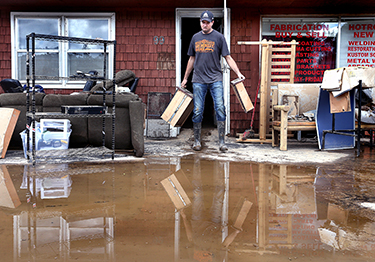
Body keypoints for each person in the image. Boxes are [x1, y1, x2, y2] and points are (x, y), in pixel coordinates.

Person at [181, 10, 245, 152]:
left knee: (220, 108)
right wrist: (185, 78)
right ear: (200, 22)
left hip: (216, 79)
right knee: (197, 110)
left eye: (207, 22)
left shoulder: (219, 37)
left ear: (212, 22)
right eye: (202, 22)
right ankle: (197, 141)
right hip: (198, 79)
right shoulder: (195, 38)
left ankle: (222, 142)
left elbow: (227, 57)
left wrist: (238, 73)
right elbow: (191, 59)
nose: (204, 24)